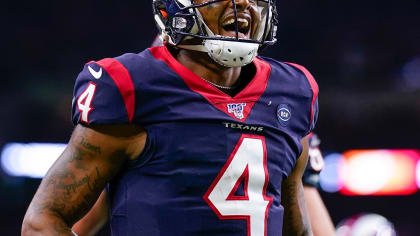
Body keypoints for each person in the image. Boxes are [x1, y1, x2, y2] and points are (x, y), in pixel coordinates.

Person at [22, 0, 319, 235]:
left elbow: (296, 229)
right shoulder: (133, 85)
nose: (242, 3)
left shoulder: (293, 91)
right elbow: (44, 220)